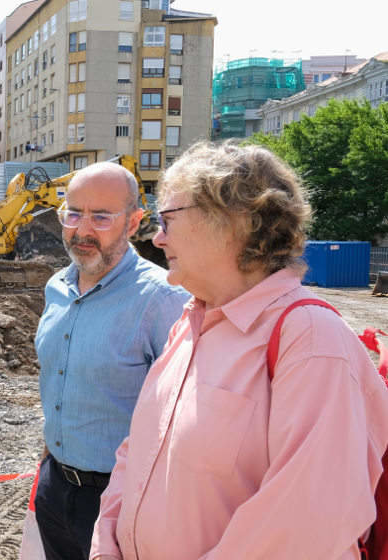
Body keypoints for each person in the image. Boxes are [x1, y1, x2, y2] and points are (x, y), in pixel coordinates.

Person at [90, 142, 388, 559]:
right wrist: (106, 544)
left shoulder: (310, 338)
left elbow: (305, 527)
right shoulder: (189, 324)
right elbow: (137, 452)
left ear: (232, 221)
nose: (157, 238)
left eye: (167, 219)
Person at [33, 161, 189, 560]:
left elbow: (185, 419)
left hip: (121, 501)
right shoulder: (56, 288)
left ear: (134, 222)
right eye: (73, 213)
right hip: (54, 486)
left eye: (101, 217)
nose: (83, 230)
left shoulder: (163, 300)